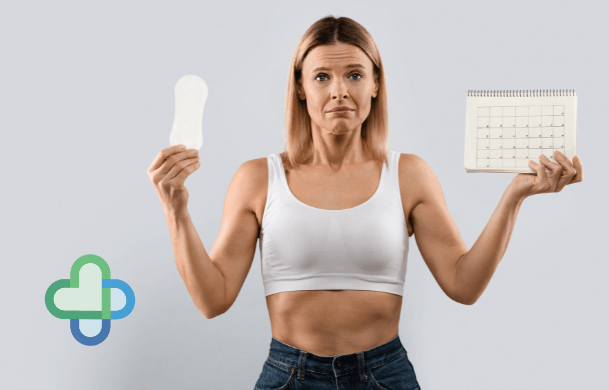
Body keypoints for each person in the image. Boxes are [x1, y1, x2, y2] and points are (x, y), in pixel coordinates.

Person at [147, 15, 584, 390]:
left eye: (355, 74)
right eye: (322, 77)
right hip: (289, 375)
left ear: (375, 84)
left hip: (384, 374)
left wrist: (514, 196)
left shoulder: (408, 174)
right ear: (300, 87)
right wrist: (175, 206)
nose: (339, 90)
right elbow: (212, 299)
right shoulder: (258, 178)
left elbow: (463, 284)